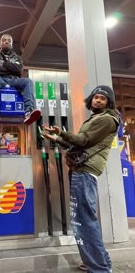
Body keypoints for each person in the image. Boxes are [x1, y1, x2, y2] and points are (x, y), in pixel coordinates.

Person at [42, 85, 119, 273]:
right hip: (81, 170)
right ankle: (98, 262)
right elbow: (78, 142)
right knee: (85, 221)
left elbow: (83, 141)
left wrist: (61, 133)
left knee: (84, 222)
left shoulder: (107, 120)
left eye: (103, 98)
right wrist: (56, 138)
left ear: (108, 102)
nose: (98, 100)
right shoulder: (96, 118)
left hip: (85, 172)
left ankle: (99, 267)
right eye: (96, 97)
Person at [0, 34, 41, 125]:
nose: (6, 42)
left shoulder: (18, 58)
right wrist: (11, 67)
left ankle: (29, 111)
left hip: (15, 80)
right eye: (4, 40)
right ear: (0, 44)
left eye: (9, 41)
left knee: (28, 81)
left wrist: (4, 64)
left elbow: (19, 71)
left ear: (12, 44)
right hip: (0, 80)